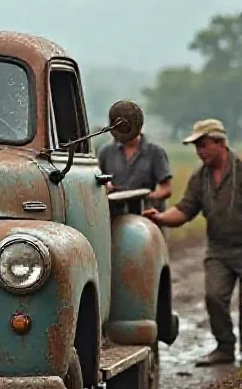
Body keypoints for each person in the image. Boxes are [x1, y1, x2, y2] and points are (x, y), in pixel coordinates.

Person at [144, 118, 242, 367]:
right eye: (197, 146)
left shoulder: (240, 168)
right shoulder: (200, 177)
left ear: (220, 143)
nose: (199, 151)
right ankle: (225, 347)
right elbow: (185, 210)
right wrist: (160, 218)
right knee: (214, 296)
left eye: (203, 145)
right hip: (219, 249)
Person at [97, 129, 173, 210]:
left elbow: (166, 189)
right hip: (115, 212)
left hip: (145, 212)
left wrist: (146, 197)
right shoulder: (105, 151)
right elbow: (97, 181)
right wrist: (105, 185)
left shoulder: (156, 151)